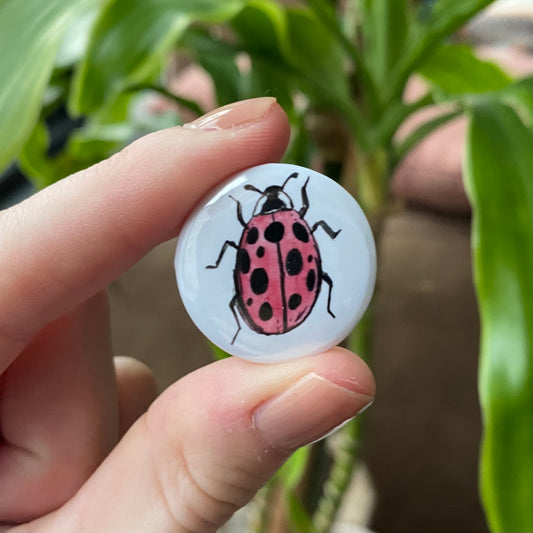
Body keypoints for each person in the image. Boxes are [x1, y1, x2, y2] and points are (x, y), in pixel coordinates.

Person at [0, 97, 375, 532]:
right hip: (290, 311)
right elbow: (315, 261)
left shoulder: (250, 228)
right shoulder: (298, 222)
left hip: (266, 316)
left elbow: (238, 264)